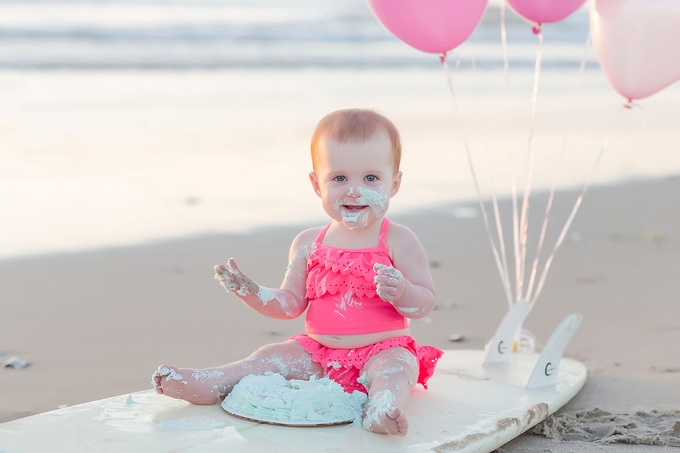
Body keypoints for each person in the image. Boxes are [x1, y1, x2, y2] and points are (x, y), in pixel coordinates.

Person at [153, 109, 443, 436]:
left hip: (382, 350)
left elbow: (425, 303)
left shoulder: (398, 240)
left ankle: (382, 406)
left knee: (397, 370)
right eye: (340, 178)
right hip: (318, 355)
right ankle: (214, 381)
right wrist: (251, 291)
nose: (354, 190)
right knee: (270, 357)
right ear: (317, 185)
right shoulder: (308, 244)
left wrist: (403, 291)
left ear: (395, 184)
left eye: (371, 178)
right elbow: (289, 303)